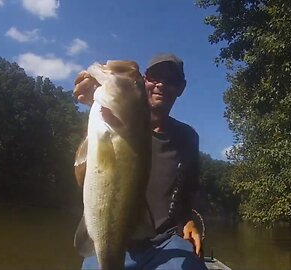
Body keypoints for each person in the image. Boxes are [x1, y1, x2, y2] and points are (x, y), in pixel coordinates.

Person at [73, 53, 207, 270]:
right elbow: (81, 175)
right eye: (155, 76)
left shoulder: (187, 137)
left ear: (181, 88)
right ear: (145, 80)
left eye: (171, 81)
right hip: (114, 240)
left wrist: (189, 220)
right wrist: (95, 97)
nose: (161, 84)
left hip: (165, 241)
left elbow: (188, 191)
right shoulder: (110, 124)